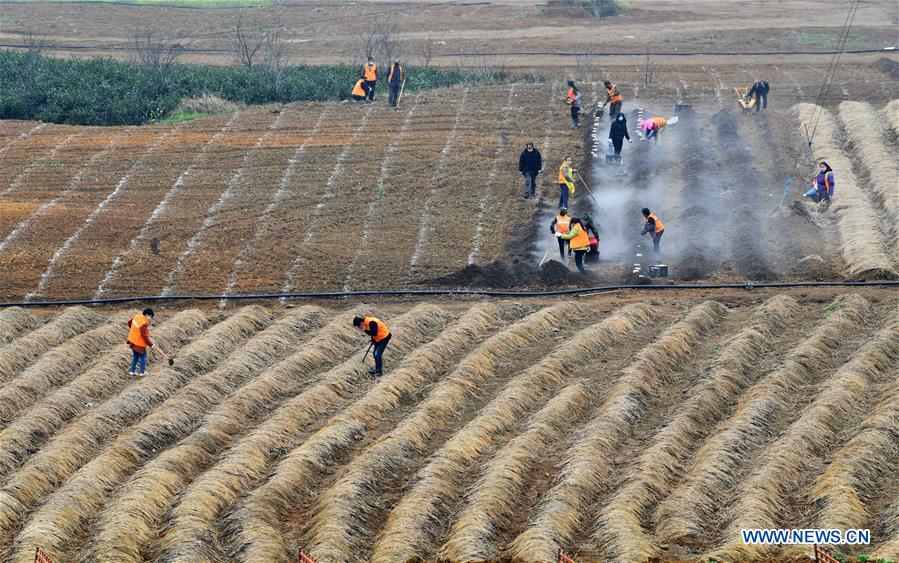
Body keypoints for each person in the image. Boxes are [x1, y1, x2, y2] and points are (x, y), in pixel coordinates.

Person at [127, 308, 156, 376]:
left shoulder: (136, 316)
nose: (150, 319)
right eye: (150, 317)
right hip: (138, 342)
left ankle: (132, 371)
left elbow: (129, 322)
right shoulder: (143, 323)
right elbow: (145, 336)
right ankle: (142, 372)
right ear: (147, 315)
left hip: (132, 339)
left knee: (135, 356)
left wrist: (134, 330)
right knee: (143, 356)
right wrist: (151, 344)